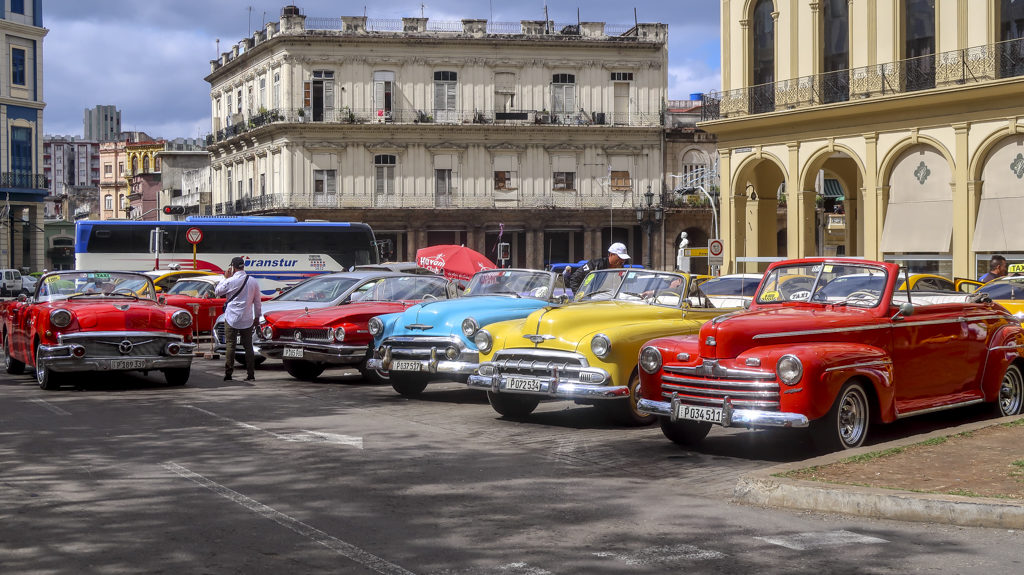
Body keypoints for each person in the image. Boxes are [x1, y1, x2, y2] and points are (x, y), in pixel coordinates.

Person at [215, 256, 262, 382]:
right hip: (247, 319)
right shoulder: (253, 281)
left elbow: (217, 291)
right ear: (243, 266)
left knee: (231, 345)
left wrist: (225, 278)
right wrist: (257, 317)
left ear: (232, 267)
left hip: (231, 318)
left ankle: (228, 374)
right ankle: (251, 375)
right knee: (248, 347)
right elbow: (258, 302)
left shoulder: (230, 281)